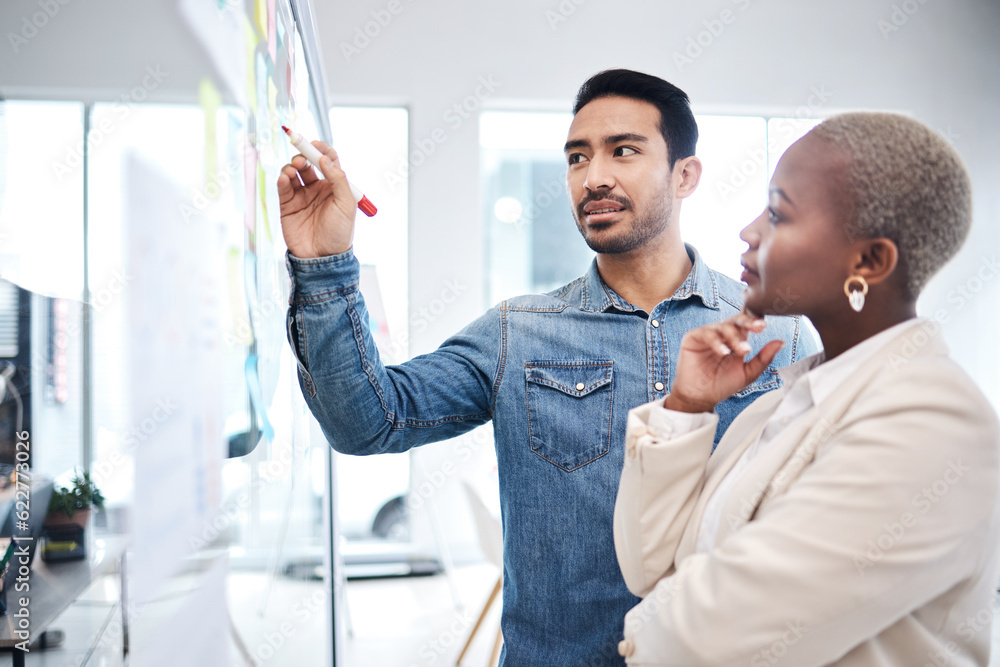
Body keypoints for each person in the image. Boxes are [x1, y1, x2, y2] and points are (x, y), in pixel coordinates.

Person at [277, 69, 818, 666]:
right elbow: (366, 422)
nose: (595, 177)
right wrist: (324, 263)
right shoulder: (518, 333)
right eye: (577, 158)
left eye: (624, 151)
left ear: (685, 174)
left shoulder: (779, 333)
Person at [613, 112, 1000, 666]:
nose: (749, 232)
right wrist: (687, 406)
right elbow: (645, 564)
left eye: (778, 213)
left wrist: (662, 616)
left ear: (867, 261)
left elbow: (708, 642)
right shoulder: (782, 402)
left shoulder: (933, 420)